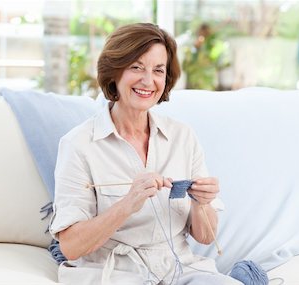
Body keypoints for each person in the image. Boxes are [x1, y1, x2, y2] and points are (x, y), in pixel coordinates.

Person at [49, 22, 241, 285]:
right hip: (113, 272)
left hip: (179, 267)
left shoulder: (182, 137)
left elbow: (206, 237)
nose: (148, 81)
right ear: (114, 71)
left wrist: (202, 202)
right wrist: (128, 204)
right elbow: (71, 246)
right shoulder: (78, 144)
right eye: (136, 67)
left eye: (158, 70)